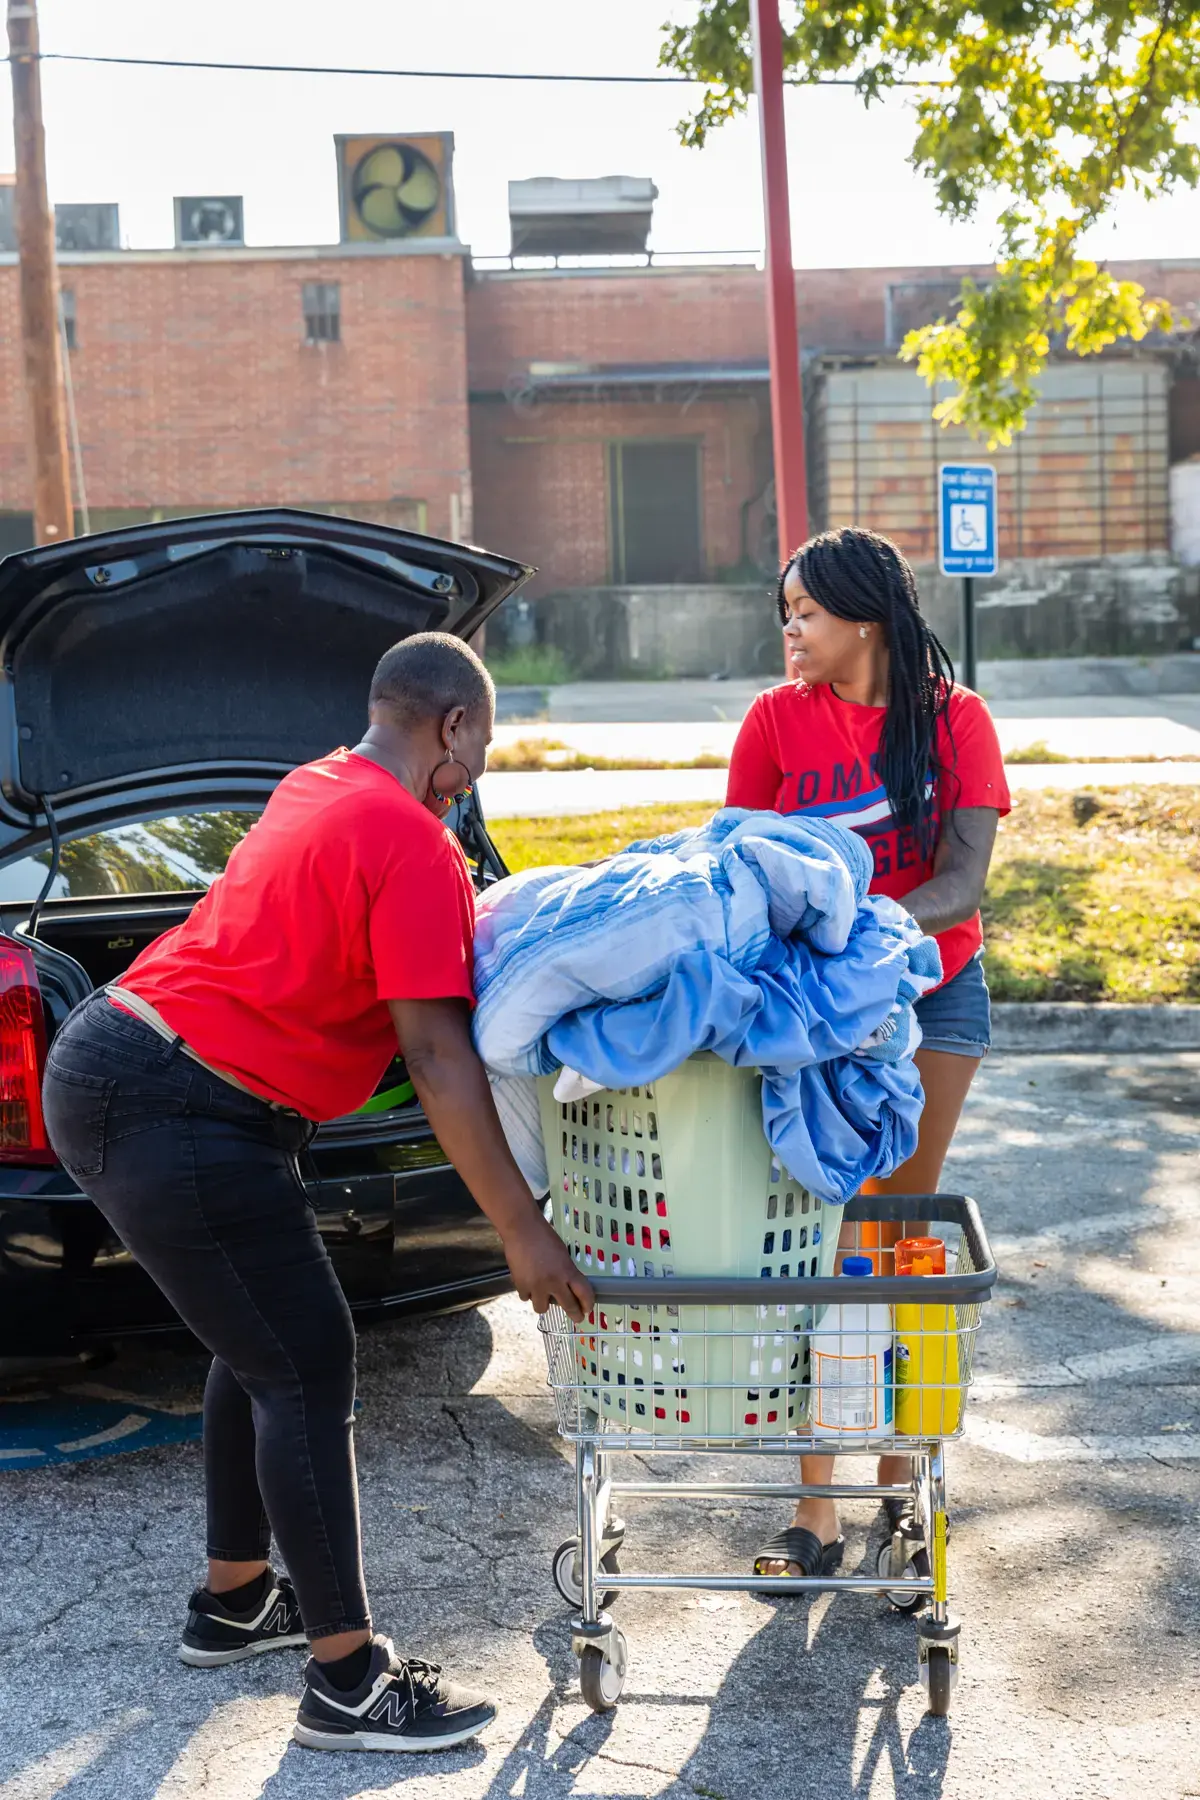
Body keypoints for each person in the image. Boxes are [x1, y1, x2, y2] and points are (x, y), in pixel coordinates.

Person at [42, 632, 593, 1755]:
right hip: (175, 1104)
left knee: (259, 1347)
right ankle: (348, 1681)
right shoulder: (410, 838)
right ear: (451, 728)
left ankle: (236, 1600)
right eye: (479, 746)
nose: (477, 771)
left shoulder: (319, 782)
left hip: (123, 1067)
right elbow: (438, 1060)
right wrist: (522, 1232)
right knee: (305, 1361)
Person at [724, 527, 1010, 1581]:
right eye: (783, 611)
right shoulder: (772, 720)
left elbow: (963, 880)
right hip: (815, 1011)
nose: (789, 627)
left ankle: (902, 1487)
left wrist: (865, 927)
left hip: (935, 998)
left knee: (894, 1238)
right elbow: (740, 866)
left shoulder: (957, 721)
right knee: (823, 1234)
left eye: (803, 609)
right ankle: (816, 1510)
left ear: (863, 619)